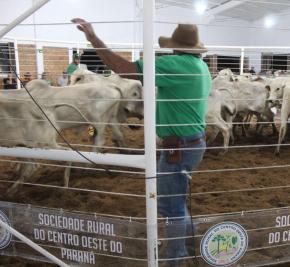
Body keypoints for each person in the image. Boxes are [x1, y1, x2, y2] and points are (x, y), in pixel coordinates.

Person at [72, 18, 211, 265]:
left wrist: (94, 39)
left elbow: (123, 69)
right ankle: (186, 243)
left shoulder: (174, 65)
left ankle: (175, 258)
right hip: (191, 143)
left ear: (174, 47)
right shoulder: (200, 67)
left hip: (178, 146)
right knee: (176, 201)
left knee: (171, 207)